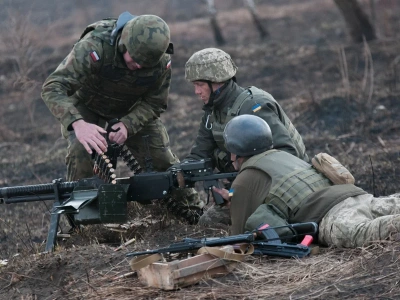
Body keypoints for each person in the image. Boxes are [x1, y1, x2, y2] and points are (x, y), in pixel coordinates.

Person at [41, 12, 203, 224]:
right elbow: (53, 87)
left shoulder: (161, 61)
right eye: (134, 60)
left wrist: (128, 124)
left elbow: (156, 102)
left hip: (132, 108)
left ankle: (194, 214)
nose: (138, 66)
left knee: (161, 160)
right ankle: (82, 225)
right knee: (83, 155)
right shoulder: (94, 46)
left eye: (145, 65)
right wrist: (78, 124)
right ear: (124, 44)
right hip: (88, 105)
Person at [212, 114, 400, 248]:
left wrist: (232, 206)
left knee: (369, 232)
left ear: (236, 150)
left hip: (329, 216)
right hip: (353, 196)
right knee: (394, 204)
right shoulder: (283, 155)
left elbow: (238, 240)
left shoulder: (244, 178)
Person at [184, 47, 308, 226]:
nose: (196, 91)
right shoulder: (213, 112)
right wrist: (180, 173)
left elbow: (286, 153)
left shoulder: (253, 106)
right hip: (248, 185)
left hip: (284, 186)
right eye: (194, 85)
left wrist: (240, 191)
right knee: (207, 223)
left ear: (217, 81)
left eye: (200, 85)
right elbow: (200, 152)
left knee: (236, 226)